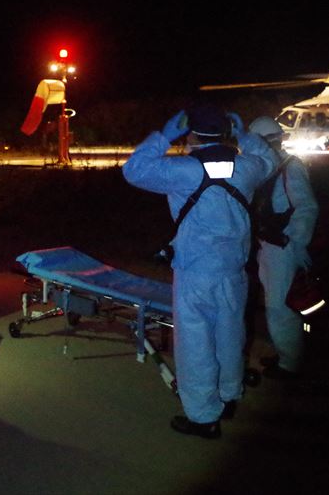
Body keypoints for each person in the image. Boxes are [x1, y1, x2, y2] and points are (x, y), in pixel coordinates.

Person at [123, 103, 274, 439]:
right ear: (225, 131)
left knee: (196, 346)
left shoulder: (182, 170)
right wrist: (246, 137)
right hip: (234, 272)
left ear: (190, 133)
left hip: (196, 274)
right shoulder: (247, 167)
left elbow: (133, 170)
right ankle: (228, 395)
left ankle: (204, 417)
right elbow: (270, 161)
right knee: (230, 335)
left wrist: (163, 136)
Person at [247, 116, 319, 380]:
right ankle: (286, 353)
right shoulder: (270, 166)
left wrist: (294, 242)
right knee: (275, 303)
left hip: (283, 248)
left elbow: (307, 207)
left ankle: (290, 364)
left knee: (280, 307)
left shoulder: (290, 167)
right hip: (270, 246)